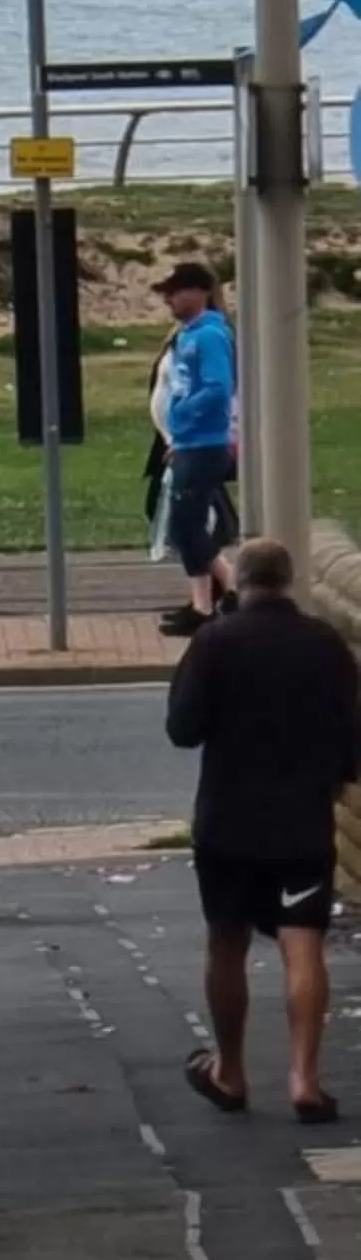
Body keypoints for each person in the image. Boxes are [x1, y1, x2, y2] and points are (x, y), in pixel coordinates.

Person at [166, 536, 361, 1122]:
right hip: (301, 824)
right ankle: (305, 1078)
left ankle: (229, 1071)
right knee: (303, 943)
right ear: (289, 579)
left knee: (226, 941)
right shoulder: (326, 645)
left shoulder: (214, 643)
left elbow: (183, 729)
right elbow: (353, 736)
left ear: (238, 582)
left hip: (229, 824)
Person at [156, 261, 238, 638]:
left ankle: (212, 602)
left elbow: (219, 387)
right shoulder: (187, 335)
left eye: (175, 291)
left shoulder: (210, 336)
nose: (169, 299)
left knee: (185, 525)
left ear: (199, 292)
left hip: (205, 443)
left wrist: (185, 416)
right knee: (185, 525)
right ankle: (223, 595)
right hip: (190, 443)